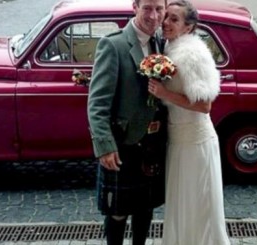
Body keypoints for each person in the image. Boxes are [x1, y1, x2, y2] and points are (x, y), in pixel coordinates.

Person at [148, 0, 231, 244]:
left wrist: (165, 94)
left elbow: (205, 105)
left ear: (189, 27)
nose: (166, 23)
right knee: (182, 202)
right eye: (167, 18)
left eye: (174, 19)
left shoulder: (191, 54)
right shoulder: (169, 48)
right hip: (178, 140)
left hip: (195, 143)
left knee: (199, 206)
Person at [86, 0, 167, 244]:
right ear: (135, 6)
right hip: (123, 143)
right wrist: (105, 145)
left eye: (159, 9)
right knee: (118, 211)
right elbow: (97, 103)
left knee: (146, 207)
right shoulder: (113, 45)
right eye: (147, 8)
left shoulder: (162, 43)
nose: (153, 16)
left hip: (153, 144)